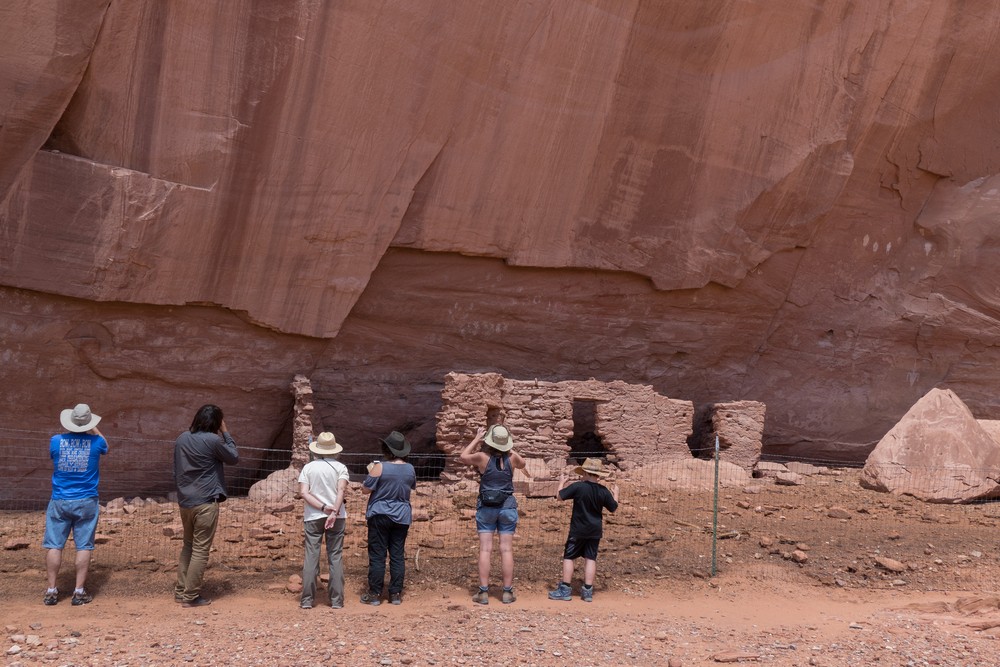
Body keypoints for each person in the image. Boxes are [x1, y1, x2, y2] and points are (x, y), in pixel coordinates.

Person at [173, 404, 239, 607]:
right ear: (216, 422)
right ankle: (191, 596)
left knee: (188, 545)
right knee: (201, 550)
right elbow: (233, 457)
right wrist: (226, 432)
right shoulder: (213, 440)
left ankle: (181, 589)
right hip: (205, 501)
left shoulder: (182, 438)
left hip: (185, 501)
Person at [42, 403, 108, 606]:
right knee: (84, 546)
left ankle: (51, 590)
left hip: (60, 499)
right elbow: (106, 444)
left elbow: (54, 456)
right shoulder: (97, 442)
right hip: (87, 500)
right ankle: (78, 592)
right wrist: (92, 427)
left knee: (54, 545)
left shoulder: (56, 441)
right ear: (87, 423)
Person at [458, 424, 527, 605]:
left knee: (485, 549)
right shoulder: (513, 458)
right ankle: (507, 592)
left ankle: (483, 592)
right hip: (507, 506)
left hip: (487, 506)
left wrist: (476, 439)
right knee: (506, 549)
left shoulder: (482, 457)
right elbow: (524, 464)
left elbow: (463, 456)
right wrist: (510, 447)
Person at [548, 457, 619, 603]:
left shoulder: (578, 486)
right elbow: (614, 508)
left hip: (578, 529)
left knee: (569, 557)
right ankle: (587, 591)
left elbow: (559, 497)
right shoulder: (603, 491)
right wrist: (616, 493)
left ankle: (565, 589)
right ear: (598, 475)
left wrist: (561, 482)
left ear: (585, 473)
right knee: (590, 558)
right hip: (594, 531)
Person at [360, 431, 416, 606]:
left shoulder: (380, 467)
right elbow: (411, 486)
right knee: (397, 555)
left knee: (378, 555)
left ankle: (375, 594)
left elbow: (366, 489)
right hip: (402, 515)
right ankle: (395, 594)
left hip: (380, 513)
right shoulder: (410, 468)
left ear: (386, 449)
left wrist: (371, 473)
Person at [297, 431, 350, 609]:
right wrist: (333, 511)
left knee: (311, 556)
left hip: (313, 515)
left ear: (317, 449)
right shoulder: (341, 468)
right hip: (338, 516)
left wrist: (322, 508)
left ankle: (306, 600)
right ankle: (336, 600)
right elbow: (341, 491)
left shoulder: (308, 468)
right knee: (335, 556)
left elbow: (304, 492)